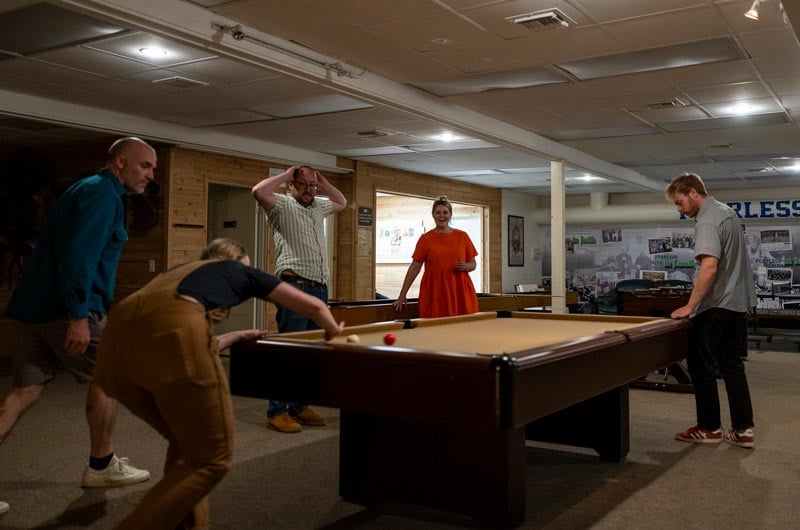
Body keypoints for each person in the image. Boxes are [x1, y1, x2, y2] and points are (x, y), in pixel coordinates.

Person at [94, 237, 344, 529]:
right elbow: (314, 306)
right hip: (173, 335)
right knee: (213, 459)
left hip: (112, 349)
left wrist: (236, 336)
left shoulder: (180, 273)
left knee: (186, 444)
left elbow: (166, 334)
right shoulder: (239, 270)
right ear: (237, 262)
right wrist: (333, 332)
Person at [0, 137, 156, 514]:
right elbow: (79, 258)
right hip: (65, 310)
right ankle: (101, 466)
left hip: (33, 310)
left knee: (26, 390)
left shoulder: (86, 190)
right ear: (120, 162)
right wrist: (77, 317)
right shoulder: (103, 195)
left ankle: (102, 464)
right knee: (112, 376)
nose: (150, 175)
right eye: (145, 166)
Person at [252, 165, 347, 433]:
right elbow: (258, 191)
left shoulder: (319, 205)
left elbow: (342, 201)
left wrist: (324, 183)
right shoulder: (281, 205)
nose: (309, 190)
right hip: (294, 286)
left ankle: (299, 405)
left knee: (311, 353)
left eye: (312, 186)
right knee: (290, 350)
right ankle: (277, 410)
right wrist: (286, 173)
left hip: (319, 287)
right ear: (292, 185)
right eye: (303, 185)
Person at [666, 172, 757, 448]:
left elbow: (709, 267)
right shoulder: (727, 212)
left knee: (700, 364)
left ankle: (709, 428)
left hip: (717, 305)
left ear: (693, 192)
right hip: (738, 304)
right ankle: (743, 430)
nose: (680, 210)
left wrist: (690, 306)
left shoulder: (706, 221)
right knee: (731, 365)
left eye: (680, 202)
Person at [392, 196, 479, 317]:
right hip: (435, 290)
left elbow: (473, 264)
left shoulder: (462, 236)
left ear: (450, 215)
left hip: (459, 290)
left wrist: (465, 266)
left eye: (445, 212)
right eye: (438, 212)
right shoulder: (425, 239)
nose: (441, 216)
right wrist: (402, 295)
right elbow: (414, 268)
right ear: (433, 215)